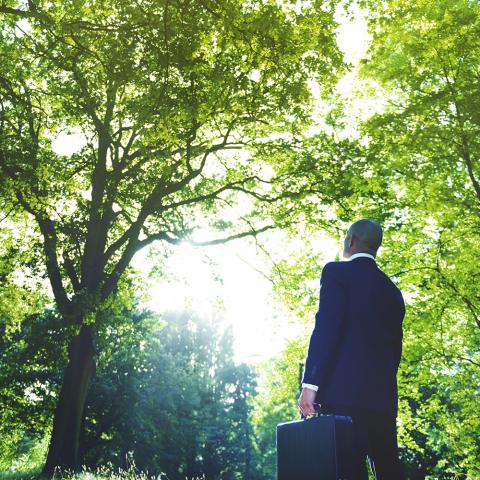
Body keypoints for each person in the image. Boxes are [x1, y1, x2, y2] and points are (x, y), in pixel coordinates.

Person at [298, 218, 406, 479]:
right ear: (376, 248)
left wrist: (310, 385)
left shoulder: (336, 273)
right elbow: (395, 351)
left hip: (342, 396)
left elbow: (327, 327)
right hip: (383, 399)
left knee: (346, 470)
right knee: (388, 469)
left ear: (351, 241)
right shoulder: (393, 291)